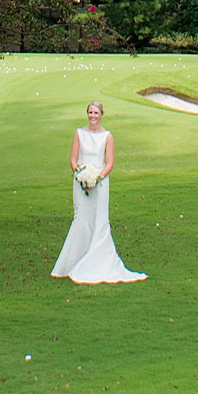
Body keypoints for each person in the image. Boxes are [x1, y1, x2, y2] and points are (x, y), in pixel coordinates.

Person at [52, 99, 146, 285]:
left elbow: (109, 163)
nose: (92, 116)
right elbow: (73, 159)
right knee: (81, 218)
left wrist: (97, 178)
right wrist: (80, 176)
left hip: (100, 182)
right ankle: (72, 263)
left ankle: (98, 263)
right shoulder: (79, 133)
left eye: (96, 113)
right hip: (81, 182)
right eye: (90, 113)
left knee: (99, 219)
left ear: (102, 115)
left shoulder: (107, 136)